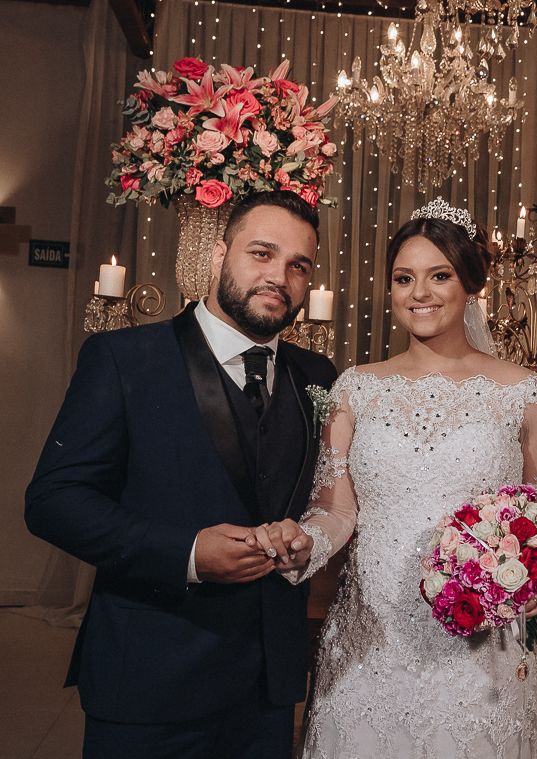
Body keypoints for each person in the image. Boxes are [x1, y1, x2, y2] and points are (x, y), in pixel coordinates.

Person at [256, 198, 537, 758]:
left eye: (439, 276)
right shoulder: (355, 388)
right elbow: (337, 510)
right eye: (404, 278)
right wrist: (305, 543)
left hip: (478, 642)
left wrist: (521, 576)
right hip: (370, 642)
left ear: (471, 284)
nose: (419, 293)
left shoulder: (523, 391)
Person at [25, 190, 338, 759]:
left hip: (267, 688)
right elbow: (54, 499)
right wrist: (187, 553)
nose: (280, 277)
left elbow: (326, 496)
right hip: (148, 677)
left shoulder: (318, 375)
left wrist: (306, 539)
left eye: (299, 265)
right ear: (218, 255)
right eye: (262, 253)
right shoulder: (122, 357)